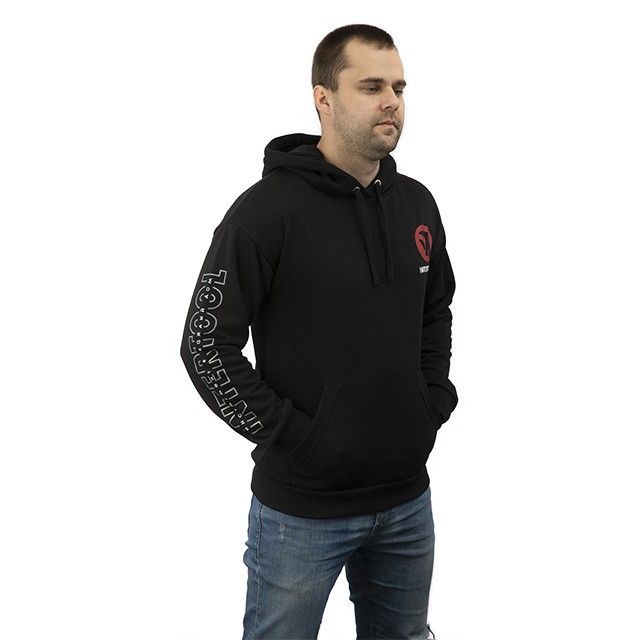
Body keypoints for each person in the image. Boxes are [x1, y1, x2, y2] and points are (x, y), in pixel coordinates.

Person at [179, 23, 458, 640]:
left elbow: (435, 308)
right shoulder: (265, 212)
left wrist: (431, 400)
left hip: (407, 499)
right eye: (371, 87)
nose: (391, 101)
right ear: (323, 99)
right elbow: (204, 344)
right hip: (301, 513)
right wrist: (293, 438)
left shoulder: (417, 204)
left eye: (399, 87)